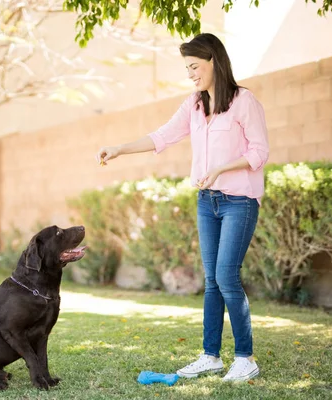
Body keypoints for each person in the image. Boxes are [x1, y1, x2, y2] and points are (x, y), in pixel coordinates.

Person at [96, 33, 269, 382]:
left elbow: (259, 152)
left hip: (239, 201)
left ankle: (245, 358)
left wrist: (222, 168)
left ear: (213, 61)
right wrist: (119, 148)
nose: (190, 74)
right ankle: (210, 356)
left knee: (226, 276)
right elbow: (162, 136)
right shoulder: (194, 104)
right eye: (187, 68)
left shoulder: (243, 101)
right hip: (207, 202)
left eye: (194, 66)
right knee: (211, 281)